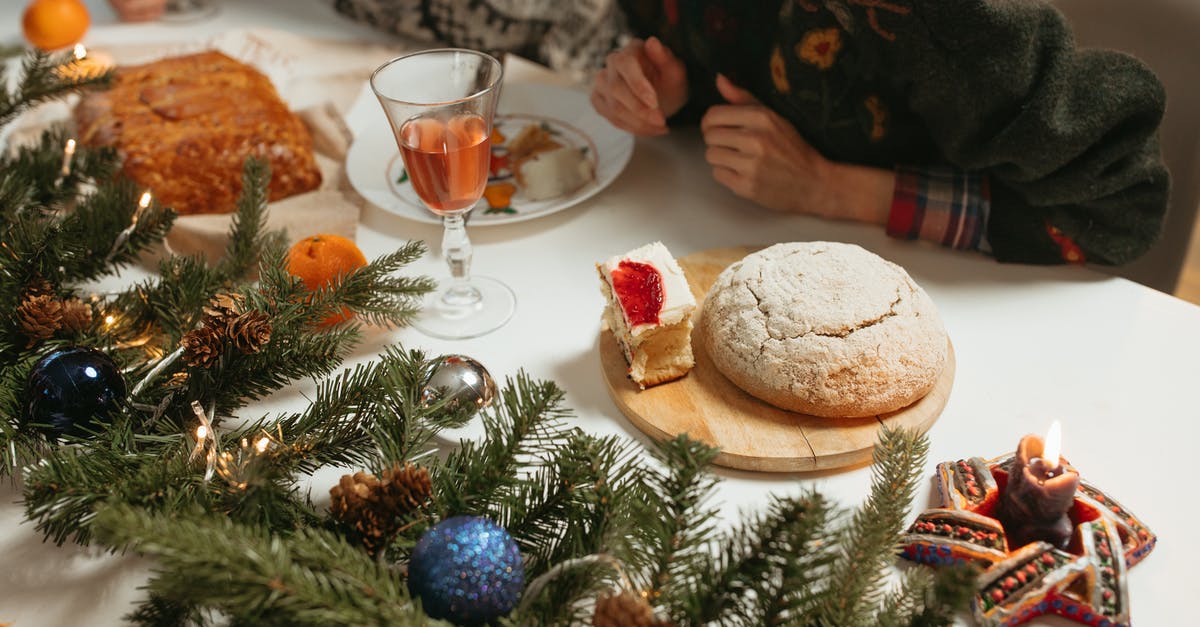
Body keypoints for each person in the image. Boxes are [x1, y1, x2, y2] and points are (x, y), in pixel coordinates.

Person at [593, 0, 1170, 265]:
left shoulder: (940, 18)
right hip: (716, 237)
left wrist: (832, 190)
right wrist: (672, 89)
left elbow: (1120, 213)